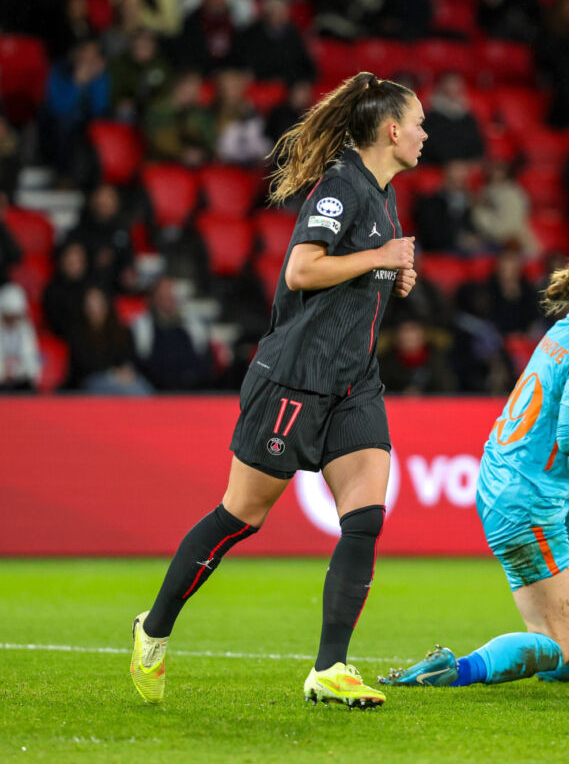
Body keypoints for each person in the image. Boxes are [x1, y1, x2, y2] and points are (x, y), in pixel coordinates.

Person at [129, 72, 426, 709]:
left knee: (366, 520)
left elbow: (357, 273)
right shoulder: (342, 187)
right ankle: (152, 630)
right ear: (392, 130)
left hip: (354, 382)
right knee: (241, 516)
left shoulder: (383, 194)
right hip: (295, 378)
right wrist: (380, 259)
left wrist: (391, 274)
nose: (427, 135)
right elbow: (301, 268)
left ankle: (330, 667)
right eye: (420, 123)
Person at [381, 239, 569, 688]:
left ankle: (567, 661)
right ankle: (453, 669)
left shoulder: (566, 330)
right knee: (551, 641)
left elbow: (560, 423)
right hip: (528, 500)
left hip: (520, 483)